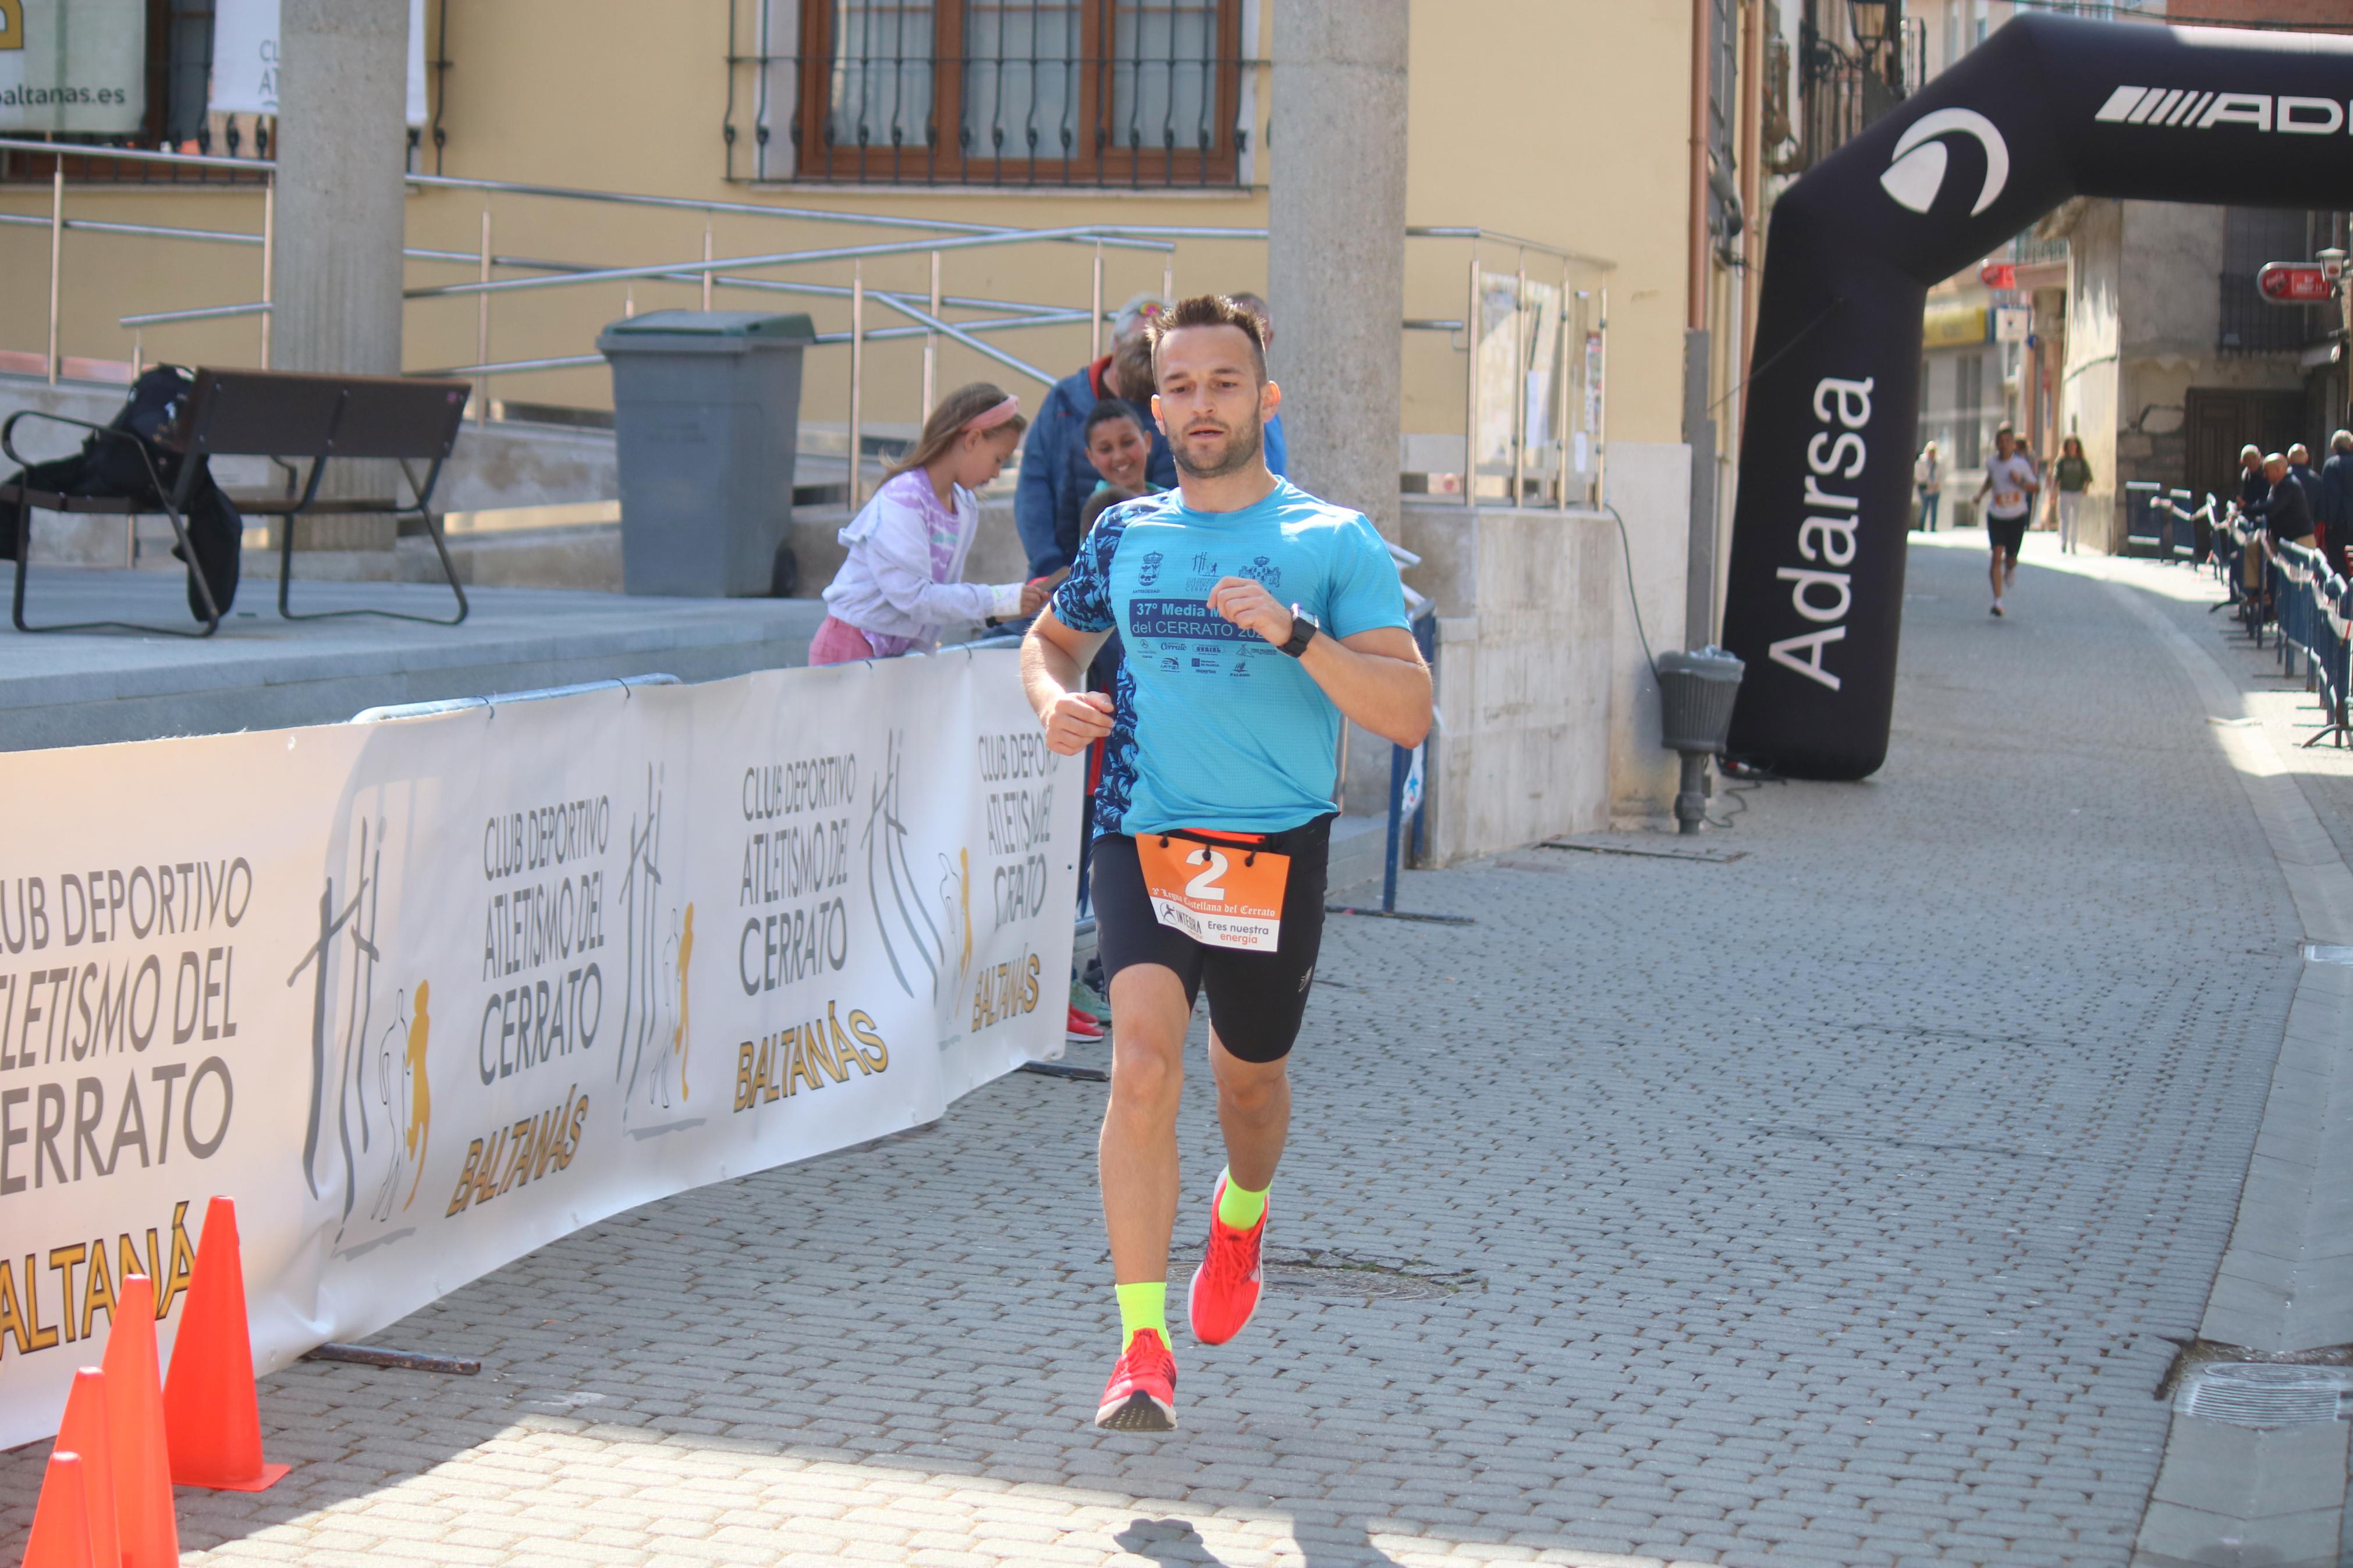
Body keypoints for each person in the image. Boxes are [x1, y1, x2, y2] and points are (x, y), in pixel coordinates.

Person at [1021, 294, 1431, 1432]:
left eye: (1224, 384)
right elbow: (1050, 640)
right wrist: (1054, 701)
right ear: (1155, 410)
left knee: (1247, 1083)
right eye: (1181, 388)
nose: (1201, 405)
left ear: (1264, 398)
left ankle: (1241, 1212)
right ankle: (1138, 1349)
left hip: (1273, 846)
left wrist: (1296, 635)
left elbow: (1406, 711)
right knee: (1142, 1069)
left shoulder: (1330, 540)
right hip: (1142, 828)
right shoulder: (1124, 533)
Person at [808, 382, 1048, 666]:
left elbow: (939, 598)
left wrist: (1001, 608)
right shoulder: (904, 498)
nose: (997, 473)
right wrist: (998, 601)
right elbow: (916, 598)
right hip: (849, 647)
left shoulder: (964, 505)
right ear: (973, 440)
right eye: (999, 459)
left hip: (894, 656)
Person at [1016, 293, 1179, 579]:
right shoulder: (1065, 400)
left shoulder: (1169, 406)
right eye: (1140, 345)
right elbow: (1035, 486)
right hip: (1064, 572)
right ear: (1116, 344)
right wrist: (1049, 568)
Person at [1977, 422, 2038, 616]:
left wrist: (2020, 482)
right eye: (2001, 441)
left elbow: (2036, 487)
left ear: (2013, 444)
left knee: (2010, 559)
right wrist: (1980, 495)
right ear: (1997, 444)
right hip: (1996, 515)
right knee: (1996, 556)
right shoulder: (1992, 464)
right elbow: (1991, 479)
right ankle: (1998, 602)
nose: (2004, 445)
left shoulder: (2021, 465)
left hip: (2017, 517)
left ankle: (2010, 568)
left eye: (2007, 441)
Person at [1226, 293, 1287, 478]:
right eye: (1239, 336)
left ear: (1270, 339)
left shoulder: (1267, 397)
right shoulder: (1212, 400)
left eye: (1258, 338)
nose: (1248, 346)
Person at [2052, 435, 2092, 554]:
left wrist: (2085, 488)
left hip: (2077, 492)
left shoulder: (2081, 461)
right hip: (2065, 492)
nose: (2072, 447)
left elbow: (2088, 477)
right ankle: (2064, 541)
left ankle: (2073, 543)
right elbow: (2056, 477)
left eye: (2074, 445)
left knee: (2075, 518)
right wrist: (2054, 493)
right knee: (2065, 518)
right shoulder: (2062, 461)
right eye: (2070, 445)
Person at [2322, 430, 2353, 573]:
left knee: (2339, 563)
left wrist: (2329, 523)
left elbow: (2331, 496)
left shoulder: (2331, 465)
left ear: (2334, 448)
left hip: (2340, 524)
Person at [1913, 441, 1943, 532]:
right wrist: (1926, 482)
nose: (1932, 454)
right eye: (1931, 452)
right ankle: (1921, 527)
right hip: (1925, 487)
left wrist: (1937, 484)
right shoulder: (1921, 461)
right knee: (1924, 507)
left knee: (1934, 509)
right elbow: (1917, 474)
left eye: (1934, 452)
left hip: (1935, 488)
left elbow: (1942, 475)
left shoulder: (1939, 462)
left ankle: (1933, 527)